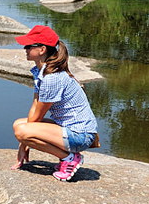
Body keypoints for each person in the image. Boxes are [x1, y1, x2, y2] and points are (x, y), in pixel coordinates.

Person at [12, 25, 99, 181]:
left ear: (42, 50)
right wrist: (24, 142)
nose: (24, 48)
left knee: (22, 131)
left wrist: (23, 141)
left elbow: (38, 116)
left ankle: (69, 158)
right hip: (69, 130)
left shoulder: (52, 78)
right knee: (19, 124)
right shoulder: (41, 72)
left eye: (29, 46)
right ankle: (67, 156)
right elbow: (35, 105)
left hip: (80, 135)